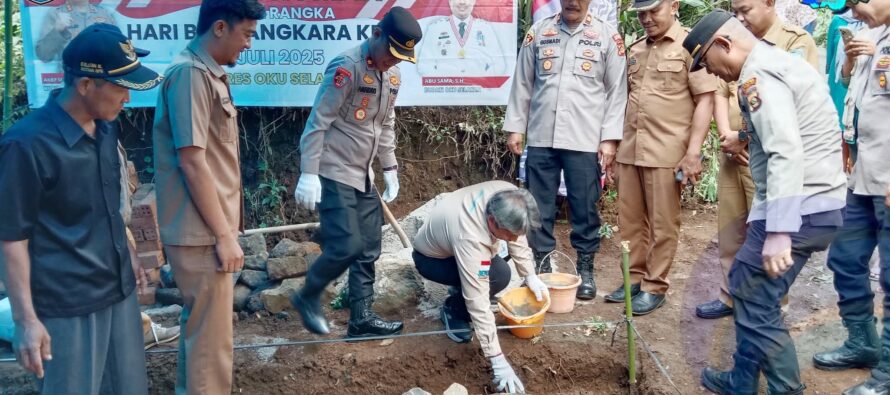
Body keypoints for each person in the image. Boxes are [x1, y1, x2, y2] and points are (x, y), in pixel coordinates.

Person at [683, 10, 847, 394]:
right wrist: (744, 137)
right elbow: (794, 124)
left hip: (802, 205)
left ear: (724, 44)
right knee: (749, 285)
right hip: (817, 201)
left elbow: (786, 149)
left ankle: (784, 388)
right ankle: (742, 379)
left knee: (754, 296)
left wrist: (779, 231)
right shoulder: (776, 61)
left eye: (708, 61)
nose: (713, 73)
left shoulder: (759, 75)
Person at [0, 23, 162, 394]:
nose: (127, 98)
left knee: (128, 388)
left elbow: (106, 207)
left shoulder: (104, 129)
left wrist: (128, 253)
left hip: (118, 293)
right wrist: (26, 321)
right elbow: (10, 238)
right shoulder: (26, 145)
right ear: (86, 85)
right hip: (67, 306)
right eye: (120, 87)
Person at [151, 1, 265, 393]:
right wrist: (223, 235)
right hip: (201, 233)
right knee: (211, 346)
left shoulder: (204, 73)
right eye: (246, 34)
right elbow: (192, 162)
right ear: (219, 27)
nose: (249, 44)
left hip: (203, 229)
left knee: (202, 335)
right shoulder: (191, 75)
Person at [290, 7, 422, 338]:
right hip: (333, 170)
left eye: (401, 57)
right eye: (391, 52)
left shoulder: (392, 75)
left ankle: (361, 319)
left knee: (368, 245)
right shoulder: (347, 67)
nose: (393, 61)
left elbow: (386, 123)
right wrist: (309, 172)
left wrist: (389, 165)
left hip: (363, 175)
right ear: (376, 34)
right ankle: (307, 296)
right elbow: (318, 121)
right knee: (347, 244)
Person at [695, 0, 820, 320]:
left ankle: (771, 306)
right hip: (733, 154)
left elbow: (793, 107)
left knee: (768, 233)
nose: (739, 18)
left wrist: (743, 137)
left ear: (769, 3)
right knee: (730, 233)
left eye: (745, 10)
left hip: (766, 156)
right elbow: (722, 90)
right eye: (735, 11)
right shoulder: (732, 39)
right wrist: (727, 135)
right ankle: (731, 296)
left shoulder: (793, 42)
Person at [503, 0, 627, 301]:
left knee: (584, 208)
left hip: (584, 138)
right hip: (542, 135)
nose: (573, 2)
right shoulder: (539, 32)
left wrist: (610, 138)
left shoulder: (606, 36)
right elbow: (523, 82)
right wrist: (516, 126)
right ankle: (543, 265)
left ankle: (585, 269)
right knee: (538, 208)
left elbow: (617, 91)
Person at [606, 0, 716, 315]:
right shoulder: (636, 49)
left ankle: (655, 286)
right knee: (629, 222)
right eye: (642, 13)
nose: (646, 18)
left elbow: (705, 100)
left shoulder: (691, 46)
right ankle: (634, 278)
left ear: (674, 6)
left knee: (662, 224)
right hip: (631, 149)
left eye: (654, 10)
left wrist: (693, 153)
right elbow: (624, 99)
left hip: (668, 153)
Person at [808, 0, 890, 393]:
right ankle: (863, 342)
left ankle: (887, 372)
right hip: (864, 173)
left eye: (859, 3)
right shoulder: (872, 34)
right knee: (844, 257)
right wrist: (855, 59)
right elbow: (851, 87)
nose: (854, 13)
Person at [412, 181, 549, 394]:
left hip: (454, 243)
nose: (513, 239)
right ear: (492, 221)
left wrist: (529, 275)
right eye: (509, 234)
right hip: (432, 260)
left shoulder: (509, 196)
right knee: (493, 277)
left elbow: (518, 236)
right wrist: (497, 359)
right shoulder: (470, 237)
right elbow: (478, 300)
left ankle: (460, 290)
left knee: (499, 272)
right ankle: (453, 310)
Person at [416, 0, 509, 76]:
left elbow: (499, 65)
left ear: (473, 1)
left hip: (477, 91)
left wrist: (481, 80)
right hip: (446, 91)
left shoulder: (485, 29)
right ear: (450, 2)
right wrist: (445, 81)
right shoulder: (435, 28)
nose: (462, 2)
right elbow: (423, 66)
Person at [35, 0, 118, 63]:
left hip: (102, 78)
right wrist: (57, 29)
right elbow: (43, 56)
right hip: (72, 78)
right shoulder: (56, 14)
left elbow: (118, 52)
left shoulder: (105, 14)